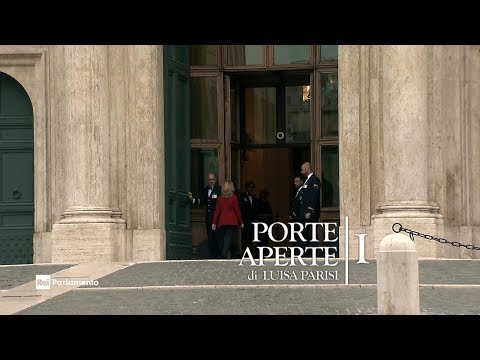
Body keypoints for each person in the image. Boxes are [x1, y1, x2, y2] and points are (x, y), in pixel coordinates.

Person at [188, 173, 221, 259]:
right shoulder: (205, 190)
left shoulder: (219, 189)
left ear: (215, 180)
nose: (211, 181)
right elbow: (201, 201)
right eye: (210, 180)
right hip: (208, 217)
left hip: (217, 218)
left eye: (213, 179)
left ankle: (218, 255)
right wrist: (192, 199)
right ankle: (211, 255)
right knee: (210, 236)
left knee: (217, 236)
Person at [212, 180, 244, 259]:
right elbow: (237, 211)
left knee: (223, 238)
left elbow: (217, 211)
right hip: (231, 222)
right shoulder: (234, 198)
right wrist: (241, 222)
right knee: (228, 238)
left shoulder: (219, 199)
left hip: (222, 222)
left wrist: (214, 223)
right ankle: (224, 253)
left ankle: (223, 253)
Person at [297, 162, 321, 254]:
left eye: (302, 170)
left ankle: (313, 255)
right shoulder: (307, 180)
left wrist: (310, 211)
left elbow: (314, 196)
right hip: (305, 215)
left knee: (312, 235)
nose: (301, 172)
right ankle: (308, 254)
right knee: (306, 235)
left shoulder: (314, 180)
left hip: (311, 214)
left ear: (307, 169)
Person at [240, 180, 257, 256]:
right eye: (250, 187)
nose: (251, 189)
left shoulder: (254, 198)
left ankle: (251, 254)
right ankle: (245, 254)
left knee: (252, 239)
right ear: (246, 188)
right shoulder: (242, 197)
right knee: (244, 239)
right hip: (245, 222)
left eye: (252, 188)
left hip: (252, 222)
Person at [256, 188, 273, 253]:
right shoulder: (258, 202)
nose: (266, 196)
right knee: (260, 242)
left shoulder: (267, 203)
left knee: (265, 241)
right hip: (260, 226)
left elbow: (270, 214)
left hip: (267, 225)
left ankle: (264, 254)